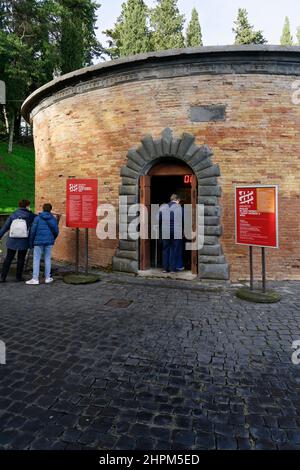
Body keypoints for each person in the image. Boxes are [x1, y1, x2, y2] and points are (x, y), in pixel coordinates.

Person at [0, 199, 35, 282]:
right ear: (27, 206)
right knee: (21, 259)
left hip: (12, 240)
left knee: (8, 258)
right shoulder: (30, 215)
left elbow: (5, 227)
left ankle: (2, 277)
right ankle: (18, 277)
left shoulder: (13, 214)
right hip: (23, 241)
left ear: (19, 206)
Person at [26, 203, 59, 285]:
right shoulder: (53, 219)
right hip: (49, 241)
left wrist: (31, 242)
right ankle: (48, 278)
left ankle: (35, 279)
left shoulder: (37, 218)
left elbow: (32, 231)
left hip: (38, 242)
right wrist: (52, 238)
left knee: (36, 259)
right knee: (47, 259)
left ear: (43, 209)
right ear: (50, 209)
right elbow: (56, 231)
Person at [159, 194, 184, 273]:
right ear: (177, 200)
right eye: (179, 201)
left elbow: (158, 219)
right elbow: (184, 220)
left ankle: (165, 269)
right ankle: (173, 269)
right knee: (175, 249)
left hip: (165, 231)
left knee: (165, 249)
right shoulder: (179, 208)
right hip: (176, 231)